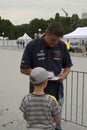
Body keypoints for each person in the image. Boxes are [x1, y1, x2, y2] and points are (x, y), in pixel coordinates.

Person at [20, 22, 73, 130]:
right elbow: (23, 69)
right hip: (37, 96)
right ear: (46, 33)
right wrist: (41, 74)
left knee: (57, 124)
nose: (55, 43)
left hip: (57, 94)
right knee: (36, 124)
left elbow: (68, 66)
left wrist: (64, 74)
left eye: (58, 40)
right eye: (53, 40)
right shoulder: (32, 45)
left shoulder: (62, 46)